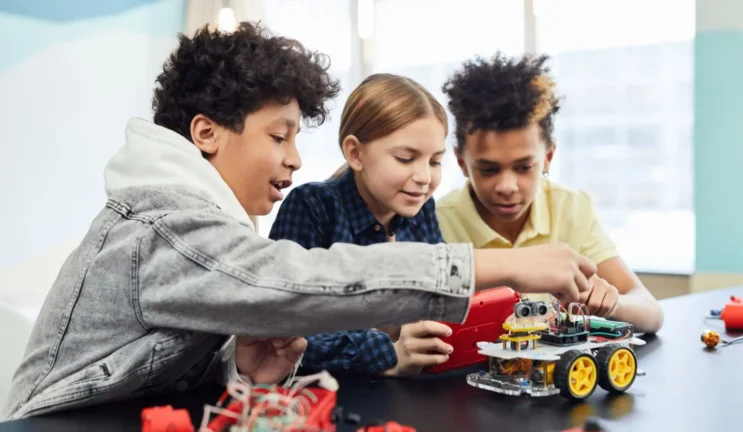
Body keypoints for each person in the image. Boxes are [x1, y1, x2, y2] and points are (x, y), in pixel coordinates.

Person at [3, 24, 596, 420]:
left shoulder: (206, 221)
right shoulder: (162, 223)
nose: (293, 157)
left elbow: (151, 365)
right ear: (206, 133)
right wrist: (505, 264)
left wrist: (238, 367)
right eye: (278, 136)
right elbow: (294, 279)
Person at [437, 53, 664, 334]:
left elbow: (651, 313)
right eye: (488, 170)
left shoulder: (572, 208)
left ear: (548, 157)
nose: (507, 186)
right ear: (462, 163)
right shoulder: (434, 222)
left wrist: (611, 303)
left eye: (523, 167)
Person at [269, 73, 455, 376]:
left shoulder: (422, 208)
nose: (424, 177)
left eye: (434, 161)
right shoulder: (312, 206)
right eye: (406, 158)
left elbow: (443, 299)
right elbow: (285, 331)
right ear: (355, 153)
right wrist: (388, 354)